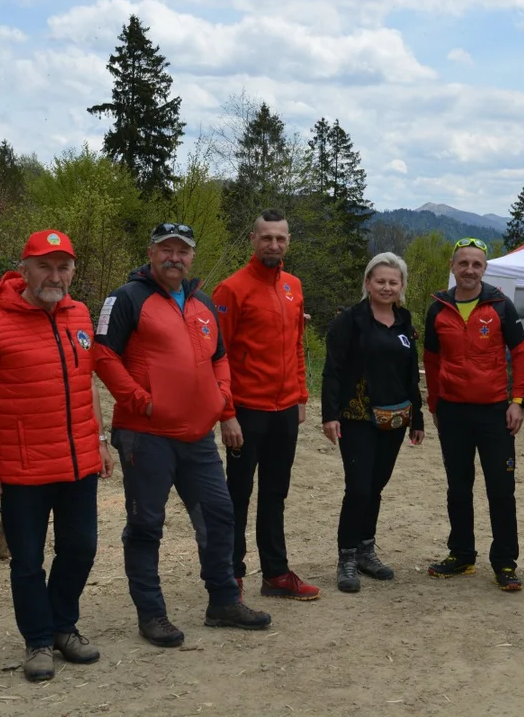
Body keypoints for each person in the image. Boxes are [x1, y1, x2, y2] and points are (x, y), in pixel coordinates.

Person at [94, 222, 272, 649]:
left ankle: (224, 601)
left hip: (197, 434)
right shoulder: (125, 298)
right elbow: (102, 355)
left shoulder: (203, 303)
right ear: (151, 252)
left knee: (219, 515)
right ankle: (152, 614)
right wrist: (141, 400)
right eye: (166, 249)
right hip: (145, 434)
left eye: (183, 251)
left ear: (192, 256)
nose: (175, 257)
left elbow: (220, 358)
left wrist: (223, 400)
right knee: (145, 526)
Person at [0, 230, 113, 682]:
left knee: (81, 548)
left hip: (78, 463)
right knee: (27, 561)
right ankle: (38, 641)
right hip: (23, 468)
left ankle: (64, 627)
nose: (55, 275)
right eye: (44, 265)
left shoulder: (80, 315)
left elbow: (87, 383)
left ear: (73, 271)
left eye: (63, 266)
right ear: (24, 269)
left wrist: (101, 441)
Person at [212, 209, 320, 601]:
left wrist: (301, 396)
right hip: (246, 411)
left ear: (288, 241)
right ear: (253, 240)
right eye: (266, 238)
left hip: (285, 410)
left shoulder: (293, 286)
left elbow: (296, 345)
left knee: (275, 493)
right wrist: (226, 413)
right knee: (237, 494)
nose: (274, 245)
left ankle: (275, 574)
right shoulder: (232, 289)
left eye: (281, 238)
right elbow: (216, 356)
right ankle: (231, 573)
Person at [423, 237, 524, 591]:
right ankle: (462, 555)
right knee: (458, 487)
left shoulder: (501, 306)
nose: (469, 270)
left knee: (501, 488)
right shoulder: (437, 308)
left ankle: (504, 562)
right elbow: (432, 360)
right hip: (453, 412)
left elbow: (519, 354)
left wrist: (518, 401)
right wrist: (435, 405)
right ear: (453, 267)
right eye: (463, 264)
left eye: (476, 264)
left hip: (494, 413)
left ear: (485, 269)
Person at [321, 253, 426, 593]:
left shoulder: (404, 322)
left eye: (393, 282)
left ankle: (367, 550)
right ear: (367, 282)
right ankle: (347, 557)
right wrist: (330, 414)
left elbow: (411, 374)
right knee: (359, 488)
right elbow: (333, 370)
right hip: (356, 417)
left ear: (401, 287)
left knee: (376, 487)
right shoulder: (349, 321)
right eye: (380, 280)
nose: (386, 286)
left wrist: (418, 417)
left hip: (395, 417)